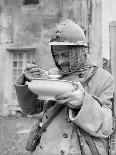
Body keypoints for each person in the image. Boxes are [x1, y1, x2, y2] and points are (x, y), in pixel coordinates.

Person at [14, 19, 114, 155]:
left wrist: (83, 103)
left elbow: (108, 126)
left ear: (79, 51)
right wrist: (28, 81)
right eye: (56, 55)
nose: (60, 61)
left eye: (65, 55)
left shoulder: (104, 79)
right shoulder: (51, 74)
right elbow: (30, 110)